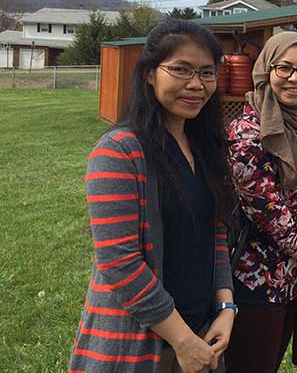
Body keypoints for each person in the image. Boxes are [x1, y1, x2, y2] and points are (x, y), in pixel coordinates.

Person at [69, 20, 237, 373]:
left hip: (204, 335)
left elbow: (216, 233)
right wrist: (182, 340)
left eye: (207, 72)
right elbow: (120, 262)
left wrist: (225, 308)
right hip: (145, 343)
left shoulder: (204, 147)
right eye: (180, 69)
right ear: (149, 74)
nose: (196, 84)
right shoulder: (118, 152)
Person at [225, 32, 297, 373]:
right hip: (255, 279)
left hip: (294, 276)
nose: (295, 78)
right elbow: (268, 210)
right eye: (284, 68)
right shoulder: (247, 131)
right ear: (266, 71)